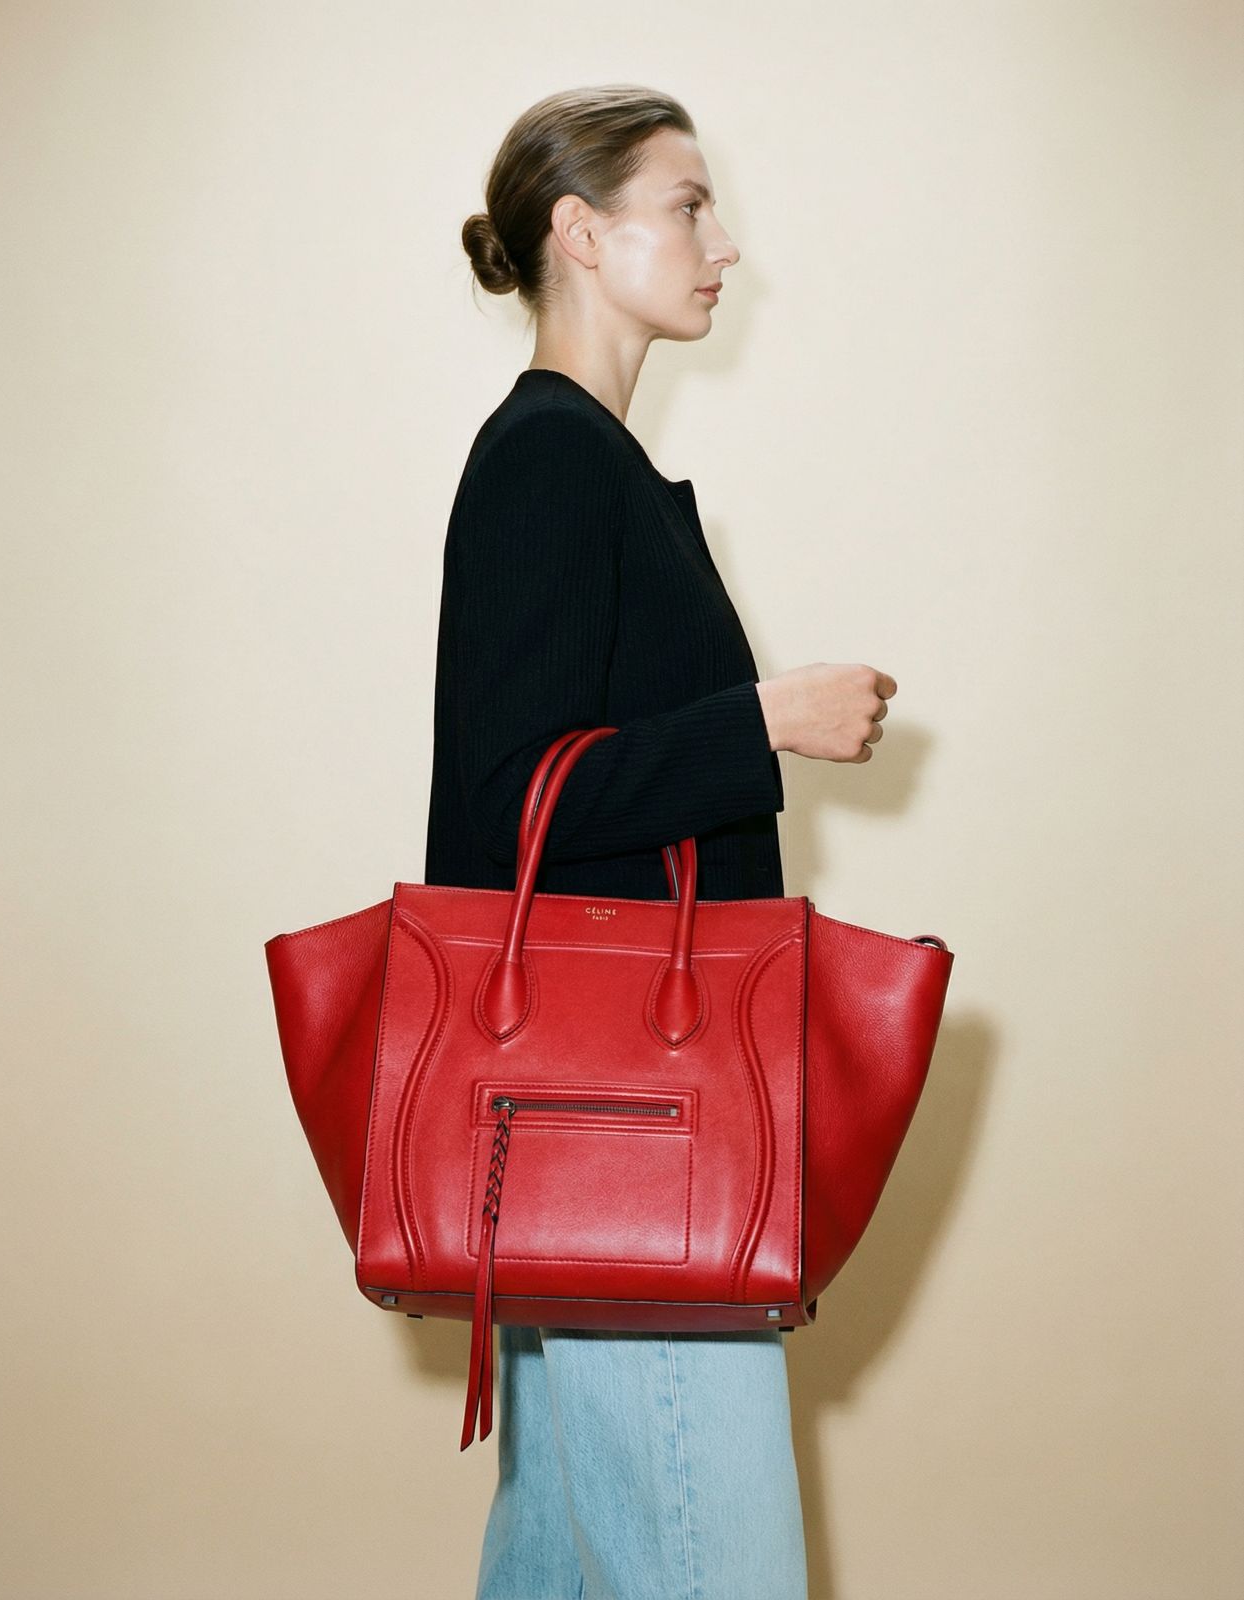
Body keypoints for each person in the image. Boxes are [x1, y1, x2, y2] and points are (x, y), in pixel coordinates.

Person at [424, 84, 895, 1600]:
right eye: (686, 205)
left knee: (557, 1565)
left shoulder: (585, 462)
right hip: (632, 1137)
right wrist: (760, 719)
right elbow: (506, 807)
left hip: (589, 1135)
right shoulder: (551, 460)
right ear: (582, 230)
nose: (721, 243)